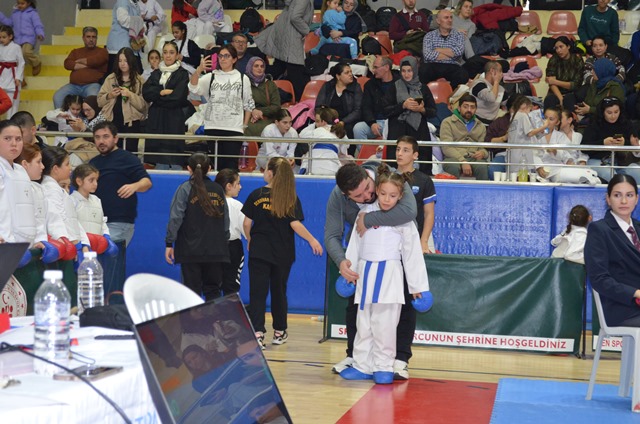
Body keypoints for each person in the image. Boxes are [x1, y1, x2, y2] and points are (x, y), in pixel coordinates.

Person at [324, 162, 418, 379]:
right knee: (358, 308)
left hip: (396, 252)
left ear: (369, 177)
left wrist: (368, 218)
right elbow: (331, 235)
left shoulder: (390, 178)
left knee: (401, 302)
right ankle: (357, 359)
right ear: (346, 195)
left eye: (368, 188)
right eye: (358, 196)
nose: (368, 196)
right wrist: (342, 261)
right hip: (365, 254)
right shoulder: (337, 196)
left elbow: (409, 211)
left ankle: (399, 359)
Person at [242, 157, 323, 349]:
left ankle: (258, 333)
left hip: (259, 251)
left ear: (270, 173)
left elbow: (246, 223)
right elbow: (295, 224)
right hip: (283, 252)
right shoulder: (290, 197)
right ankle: (279, 331)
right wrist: (312, 239)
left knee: (258, 293)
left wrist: (250, 239)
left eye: (265, 169)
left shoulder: (256, 194)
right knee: (279, 291)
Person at [166, 153, 230, 300]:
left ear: (189, 169)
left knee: (191, 294)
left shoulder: (185, 189)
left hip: (190, 250)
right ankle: (212, 317)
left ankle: (193, 317)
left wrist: (169, 242)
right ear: (210, 169)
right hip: (216, 250)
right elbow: (226, 220)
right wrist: (223, 242)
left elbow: (176, 218)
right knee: (213, 292)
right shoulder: (218, 189)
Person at [584, 174, 640, 327]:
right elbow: (599, 279)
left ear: (636, 199)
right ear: (608, 199)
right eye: (617, 195)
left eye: (629, 195)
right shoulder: (599, 230)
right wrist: (635, 293)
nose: (624, 201)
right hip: (622, 308)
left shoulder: (638, 228)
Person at [188, 45, 254, 171]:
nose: (223, 59)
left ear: (234, 59)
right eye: (221, 56)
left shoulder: (242, 78)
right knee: (216, 166)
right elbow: (193, 87)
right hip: (213, 127)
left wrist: (244, 125)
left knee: (231, 167)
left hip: (234, 128)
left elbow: (249, 104)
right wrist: (199, 70)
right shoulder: (211, 77)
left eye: (227, 56)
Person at [89, 121, 152, 246]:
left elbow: (146, 182)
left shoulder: (127, 158)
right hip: (96, 221)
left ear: (115, 138)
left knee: (108, 256)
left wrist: (134, 186)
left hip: (118, 222)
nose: (101, 141)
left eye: (106, 136)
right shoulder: (93, 162)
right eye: (97, 137)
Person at [383, 56, 436, 175]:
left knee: (423, 166)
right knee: (394, 169)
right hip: (398, 130)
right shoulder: (393, 87)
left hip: (419, 131)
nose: (406, 74)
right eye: (403, 71)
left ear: (415, 70)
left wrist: (422, 109)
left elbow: (433, 112)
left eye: (409, 71)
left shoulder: (423, 88)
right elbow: (385, 110)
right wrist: (403, 105)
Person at [143, 40, 191, 170]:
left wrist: (157, 96)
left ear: (177, 55)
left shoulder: (182, 73)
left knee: (175, 161)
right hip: (157, 119)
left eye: (171, 52)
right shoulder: (156, 73)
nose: (168, 55)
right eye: (165, 52)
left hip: (174, 119)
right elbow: (146, 92)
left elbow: (178, 97)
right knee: (158, 162)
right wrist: (162, 92)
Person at [254, 0, 314, 101]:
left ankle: (263, 90)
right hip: (292, 37)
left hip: (285, 34)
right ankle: (302, 102)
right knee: (296, 72)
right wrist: (306, 30)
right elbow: (295, 17)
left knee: (279, 68)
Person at [41, 146, 90, 258]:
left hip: (72, 244)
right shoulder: (50, 189)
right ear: (56, 169)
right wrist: (69, 243)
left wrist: (83, 243)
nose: (70, 168)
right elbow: (57, 219)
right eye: (67, 164)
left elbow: (72, 219)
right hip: (66, 246)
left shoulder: (57, 189)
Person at [98, 47, 148, 154]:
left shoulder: (139, 81)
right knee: (113, 154)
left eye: (125, 60)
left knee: (130, 154)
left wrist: (130, 95)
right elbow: (99, 101)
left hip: (132, 123)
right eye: (120, 61)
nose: (122, 64)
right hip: (112, 122)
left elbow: (143, 106)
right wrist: (109, 95)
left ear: (131, 61)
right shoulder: (110, 78)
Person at [534, 107, 599, 184]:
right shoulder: (535, 135)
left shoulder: (561, 136)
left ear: (557, 122)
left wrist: (555, 152)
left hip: (556, 169)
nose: (547, 121)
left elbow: (565, 155)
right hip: (540, 169)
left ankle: (591, 177)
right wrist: (539, 167)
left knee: (569, 175)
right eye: (545, 118)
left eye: (551, 119)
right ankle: (589, 177)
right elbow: (533, 153)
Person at [582, 97, 640, 182]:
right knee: (613, 176)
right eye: (609, 113)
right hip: (598, 161)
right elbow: (584, 147)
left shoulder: (626, 123)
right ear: (603, 112)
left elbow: (635, 145)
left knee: (637, 172)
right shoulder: (594, 124)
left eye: (616, 112)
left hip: (621, 163)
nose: (613, 116)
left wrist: (626, 143)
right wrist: (603, 143)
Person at [395, 136, 436, 253]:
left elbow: (429, 213)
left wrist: (424, 241)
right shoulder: (388, 178)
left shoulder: (424, 180)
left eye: (405, 150)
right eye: (398, 149)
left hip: (417, 236)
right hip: (392, 236)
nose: (399, 153)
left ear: (415, 155)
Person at [53, 27, 108, 109]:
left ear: (96, 38)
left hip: (92, 85)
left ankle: (93, 118)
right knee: (57, 96)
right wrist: (89, 65)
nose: (91, 39)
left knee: (93, 99)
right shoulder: (76, 52)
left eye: (93, 37)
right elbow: (67, 63)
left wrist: (80, 62)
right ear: (83, 38)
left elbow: (97, 60)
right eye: (88, 37)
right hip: (73, 86)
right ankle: (62, 116)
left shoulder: (102, 51)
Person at [440, 94, 489, 180]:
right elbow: (446, 147)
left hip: (473, 158)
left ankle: (482, 189)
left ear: (476, 109)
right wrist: (462, 160)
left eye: (472, 107)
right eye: (465, 107)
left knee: (482, 166)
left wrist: (482, 153)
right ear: (459, 108)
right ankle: (454, 189)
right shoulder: (447, 122)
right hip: (453, 157)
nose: (469, 110)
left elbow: (482, 147)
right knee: (452, 165)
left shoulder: (481, 126)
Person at [214, 168, 245, 295]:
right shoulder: (237, 205)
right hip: (233, 248)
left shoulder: (211, 203)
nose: (240, 187)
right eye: (238, 183)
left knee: (213, 286)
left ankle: (214, 308)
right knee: (231, 286)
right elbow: (245, 227)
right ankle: (231, 308)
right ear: (228, 186)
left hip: (213, 247)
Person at [419, 9, 468, 89]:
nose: (450, 20)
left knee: (463, 74)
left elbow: (458, 52)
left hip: (452, 66)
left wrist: (437, 50)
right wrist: (451, 55)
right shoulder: (429, 35)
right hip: (434, 65)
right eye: (446, 18)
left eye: (451, 17)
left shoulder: (459, 35)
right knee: (423, 70)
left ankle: (450, 93)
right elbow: (427, 55)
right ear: (438, 21)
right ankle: (427, 94)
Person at [70, 163, 113, 253]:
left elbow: (102, 221)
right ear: (79, 181)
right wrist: (82, 245)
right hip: (81, 247)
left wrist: (106, 236)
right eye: (91, 180)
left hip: (96, 246)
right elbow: (73, 224)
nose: (95, 184)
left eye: (96, 180)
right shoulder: (72, 200)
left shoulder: (97, 200)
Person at [353, 56, 398, 142]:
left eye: (376, 67)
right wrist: (372, 123)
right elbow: (366, 107)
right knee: (358, 128)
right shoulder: (370, 84)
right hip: (377, 122)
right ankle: (363, 151)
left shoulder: (399, 83)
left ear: (386, 67)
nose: (373, 70)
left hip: (394, 122)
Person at [315, 62, 362, 142]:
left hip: (348, 122)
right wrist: (324, 119)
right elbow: (319, 106)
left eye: (351, 72)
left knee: (348, 130)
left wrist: (343, 122)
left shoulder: (356, 87)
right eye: (347, 73)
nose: (351, 74)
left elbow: (358, 110)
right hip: (328, 121)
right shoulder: (328, 86)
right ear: (338, 76)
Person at [507, 96, 552, 175]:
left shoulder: (513, 116)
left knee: (514, 177)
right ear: (524, 105)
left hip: (513, 154)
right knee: (523, 178)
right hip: (522, 155)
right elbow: (530, 133)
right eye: (530, 110)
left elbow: (526, 134)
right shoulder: (523, 116)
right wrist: (544, 126)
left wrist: (542, 130)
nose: (529, 113)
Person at [14, 142, 47, 249]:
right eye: (38, 162)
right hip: (17, 244)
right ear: (25, 164)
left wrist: (40, 240)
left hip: (33, 243)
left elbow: (40, 220)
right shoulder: (12, 187)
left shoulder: (37, 188)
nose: (42, 166)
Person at [300, 106, 349, 176]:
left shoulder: (317, 131)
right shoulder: (341, 132)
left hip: (314, 169)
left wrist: (314, 125)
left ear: (323, 121)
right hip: (333, 170)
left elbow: (301, 135)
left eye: (317, 121)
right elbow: (344, 151)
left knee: (305, 156)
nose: (316, 123)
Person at [0, 0, 44, 78]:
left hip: (29, 38)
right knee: (16, 58)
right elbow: (9, 23)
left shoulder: (32, 13)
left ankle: (36, 63)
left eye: (22, 3)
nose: (20, 5)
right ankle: (21, 78)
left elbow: (37, 25)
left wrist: (40, 33)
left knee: (26, 52)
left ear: (28, 3)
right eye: (18, 3)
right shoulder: (15, 13)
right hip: (17, 39)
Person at [543, 36, 584, 110]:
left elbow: (575, 85)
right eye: (556, 48)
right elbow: (551, 83)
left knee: (569, 101)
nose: (559, 50)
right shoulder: (553, 59)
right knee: (549, 101)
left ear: (568, 46)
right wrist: (561, 99)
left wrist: (556, 81)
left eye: (561, 47)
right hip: (556, 92)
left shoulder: (577, 60)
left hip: (572, 93)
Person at [245, 57, 281, 137]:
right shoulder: (243, 83)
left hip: (266, 117)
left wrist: (261, 111)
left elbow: (276, 107)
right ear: (250, 67)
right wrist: (252, 111)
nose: (259, 68)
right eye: (256, 66)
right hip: (247, 117)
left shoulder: (270, 85)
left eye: (262, 66)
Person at [106, 0, 143, 77]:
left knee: (137, 76)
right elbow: (123, 19)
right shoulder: (122, 1)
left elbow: (140, 22)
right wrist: (140, 25)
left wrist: (142, 26)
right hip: (118, 47)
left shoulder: (136, 5)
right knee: (115, 78)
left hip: (132, 47)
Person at [469, 61, 505, 125]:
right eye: (500, 71)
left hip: (491, 124)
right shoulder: (479, 84)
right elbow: (491, 98)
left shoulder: (501, 89)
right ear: (492, 71)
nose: (502, 74)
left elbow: (509, 103)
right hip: (475, 122)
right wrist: (496, 81)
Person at [0, 25, 24, 118]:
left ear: (10, 36)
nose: (1, 39)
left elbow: (21, 62)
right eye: (0, 37)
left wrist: (18, 78)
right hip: (1, 74)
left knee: (12, 103)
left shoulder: (16, 47)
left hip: (12, 75)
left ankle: (11, 121)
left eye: (4, 37)